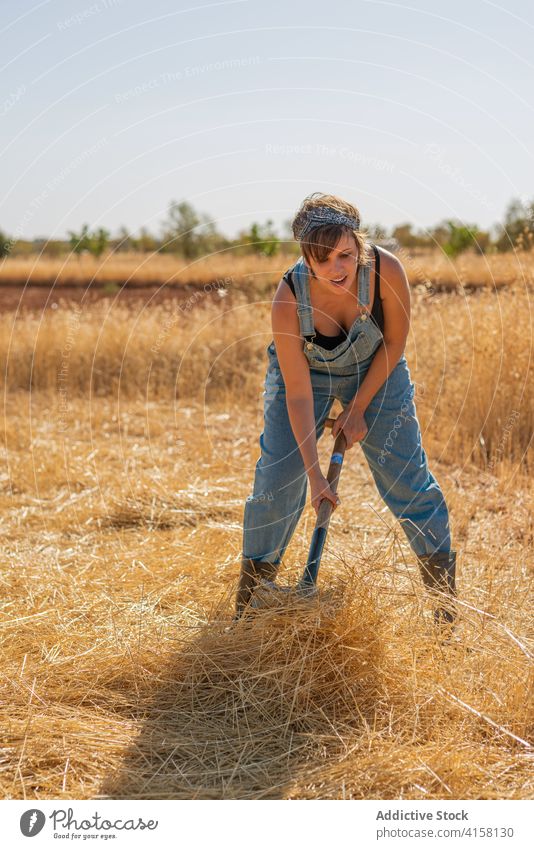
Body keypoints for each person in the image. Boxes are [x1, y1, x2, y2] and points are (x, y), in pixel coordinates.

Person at [236, 192, 457, 627]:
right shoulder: (288, 298)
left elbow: (394, 343)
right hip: (307, 376)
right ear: (306, 258)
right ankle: (249, 608)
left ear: (359, 245)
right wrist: (316, 477)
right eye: (324, 260)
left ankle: (446, 609)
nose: (338, 268)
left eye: (346, 254)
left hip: (377, 366)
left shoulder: (384, 271)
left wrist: (358, 408)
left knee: (405, 475)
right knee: (279, 478)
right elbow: (297, 395)